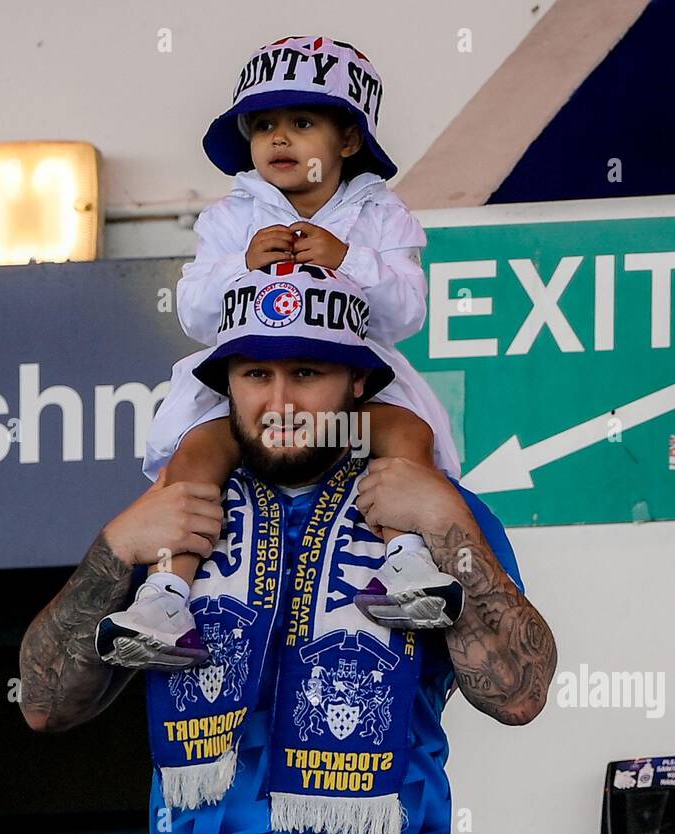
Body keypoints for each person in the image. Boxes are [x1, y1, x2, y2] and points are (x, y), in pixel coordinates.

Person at [18, 267, 558, 834]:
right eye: (256, 375)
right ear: (227, 383)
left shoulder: (434, 510)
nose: (279, 402)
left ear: (358, 381)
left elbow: (519, 695)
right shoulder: (172, 516)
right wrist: (113, 550)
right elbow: (45, 704)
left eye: (306, 372)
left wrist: (451, 530)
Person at [100, 34, 467, 654]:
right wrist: (240, 267)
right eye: (263, 124)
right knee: (193, 455)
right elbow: (194, 315)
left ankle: (405, 566)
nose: (279, 139)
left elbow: (406, 312)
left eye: (302, 122)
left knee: (408, 435)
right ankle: (164, 598)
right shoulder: (228, 218)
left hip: (349, 390)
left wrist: (350, 260)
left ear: (347, 141)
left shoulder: (382, 214)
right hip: (247, 398)